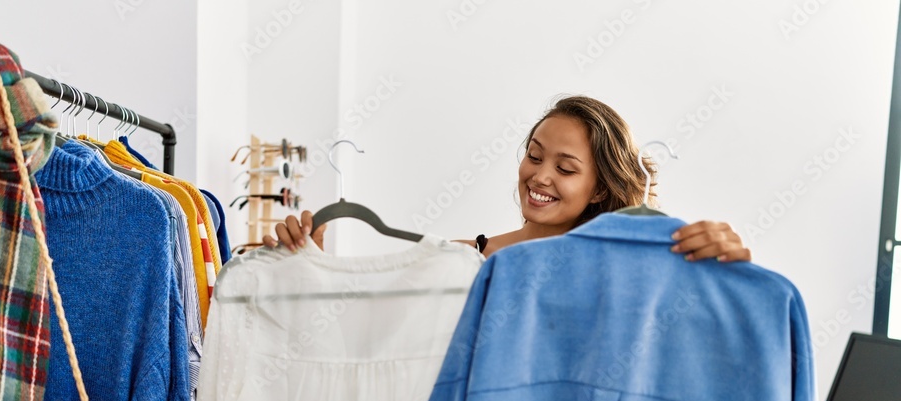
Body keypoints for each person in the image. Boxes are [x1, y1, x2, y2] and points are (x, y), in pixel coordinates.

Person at [263, 95, 751, 262]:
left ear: (600, 187)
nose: (539, 176)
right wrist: (310, 272)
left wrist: (724, 256)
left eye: (565, 168)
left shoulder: (622, 270)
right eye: (534, 156)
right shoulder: (458, 259)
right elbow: (362, 343)